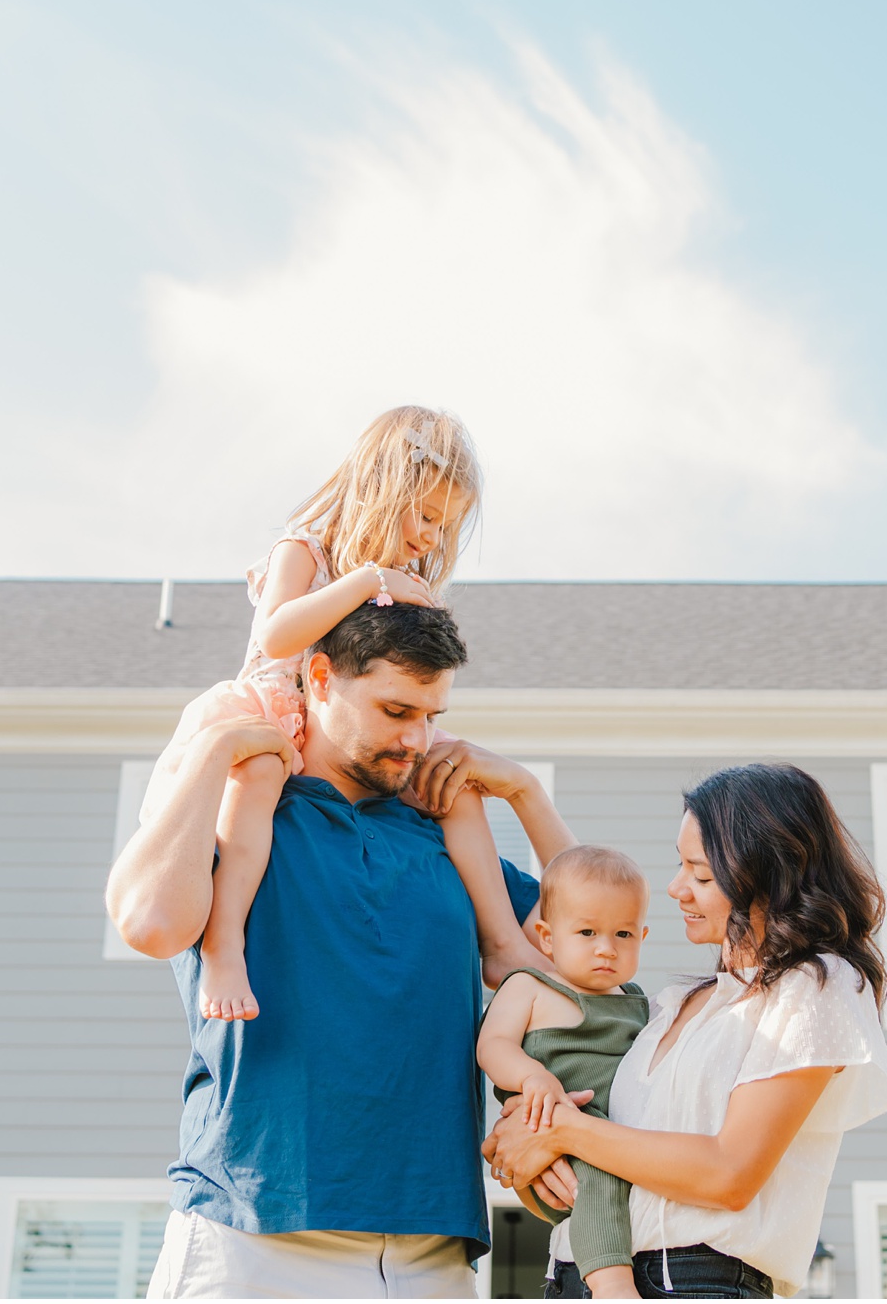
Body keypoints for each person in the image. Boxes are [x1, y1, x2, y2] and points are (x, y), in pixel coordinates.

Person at [107, 600, 574, 1298]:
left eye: (432, 716)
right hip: (251, 1234)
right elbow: (147, 922)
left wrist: (525, 790)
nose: (417, 738)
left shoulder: (448, 841)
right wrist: (212, 749)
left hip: (431, 1250)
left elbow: (591, 951)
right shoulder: (250, 816)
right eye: (395, 710)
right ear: (319, 678)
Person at [139, 404, 529, 1021]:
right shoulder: (307, 551)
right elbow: (276, 636)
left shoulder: (401, 579)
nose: (430, 536)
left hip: (343, 727)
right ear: (381, 489)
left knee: (450, 779)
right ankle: (224, 942)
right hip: (273, 713)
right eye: (425, 514)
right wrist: (366, 581)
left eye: (445, 526)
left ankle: (504, 942)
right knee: (258, 782)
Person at [483, 765, 887, 1300]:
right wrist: (528, 1143)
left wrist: (560, 1128)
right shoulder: (673, 1002)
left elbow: (727, 1174)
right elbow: (577, 906)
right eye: (680, 865)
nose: (676, 887)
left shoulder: (815, 986)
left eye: (700, 874)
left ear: (764, 878)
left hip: (694, 1280)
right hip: (573, 1275)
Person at [476, 846, 655, 1300]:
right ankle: (612, 1286)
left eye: (623, 933)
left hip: (623, 1135)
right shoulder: (530, 986)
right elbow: (492, 1045)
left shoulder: (638, 1002)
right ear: (548, 937)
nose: (605, 948)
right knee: (605, 1166)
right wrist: (532, 1076)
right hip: (563, 1141)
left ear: (643, 936)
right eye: (587, 931)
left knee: (620, 1158)